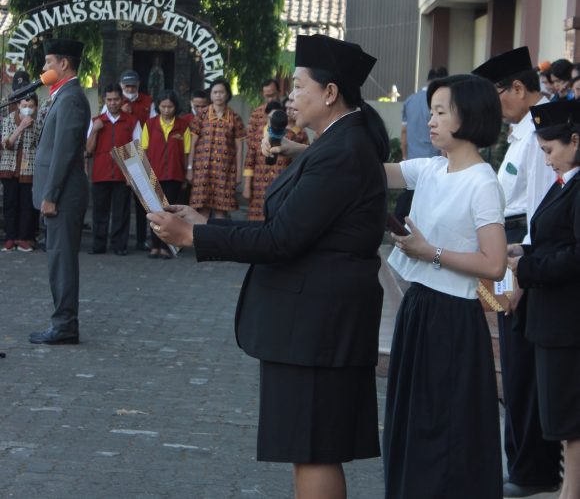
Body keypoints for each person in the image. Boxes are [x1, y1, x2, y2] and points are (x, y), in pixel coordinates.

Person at [148, 34, 390, 499]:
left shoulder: (342, 151)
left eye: (299, 86)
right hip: (314, 323)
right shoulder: (336, 142)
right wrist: (202, 222)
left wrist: (196, 236)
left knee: (314, 446)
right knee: (310, 445)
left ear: (330, 92)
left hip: (317, 326)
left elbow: (282, 239)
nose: (290, 97)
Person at [382, 74, 507, 499]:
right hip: (419, 310)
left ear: (467, 116)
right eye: (429, 112)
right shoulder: (432, 168)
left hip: (454, 320)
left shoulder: (482, 181)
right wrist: (301, 149)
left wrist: (429, 252)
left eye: (439, 112)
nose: (429, 122)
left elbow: (493, 264)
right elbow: (373, 172)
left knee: (445, 435)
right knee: (413, 425)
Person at [473, 47, 561, 497]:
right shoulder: (522, 131)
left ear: (521, 90)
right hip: (510, 253)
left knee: (523, 370)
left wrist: (521, 278)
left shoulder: (541, 132)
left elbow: (543, 212)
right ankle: (523, 462)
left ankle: (532, 469)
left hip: (524, 257)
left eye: (498, 94)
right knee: (515, 363)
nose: (494, 104)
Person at [508, 99, 580, 499]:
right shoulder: (564, 184)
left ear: (574, 140)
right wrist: (526, 254)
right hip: (552, 319)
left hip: (568, 321)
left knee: (570, 417)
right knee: (563, 419)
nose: (547, 160)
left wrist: (529, 269)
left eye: (550, 151)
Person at [30, 39, 91, 345]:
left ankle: (65, 325)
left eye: (49, 62)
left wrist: (50, 194)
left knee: (62, 260)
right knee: (57, 259)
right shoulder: (63, 95)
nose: (44, 69)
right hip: (60, 193)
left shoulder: (70, 98)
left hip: (63, 195)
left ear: (63, 64)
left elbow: (65, 152)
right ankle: (62, 322)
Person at [86, 84, 142, 256]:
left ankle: (119, 245)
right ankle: (98, 245)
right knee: (99, 212)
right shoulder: (97, 121)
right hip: (100, 173)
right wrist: (95, 131)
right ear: (104, 100)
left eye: (116, 99)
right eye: (109, 100)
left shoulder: (132, 121)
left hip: (122, 174)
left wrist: (131, 174)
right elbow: (88, 150)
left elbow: (138, 150)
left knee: (121, 212)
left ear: (121, 100)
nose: (112, 103)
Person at [142, 89, 190, 259]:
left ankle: (166, 246)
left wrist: (186, 175)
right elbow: (144, 150)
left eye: (170, 107)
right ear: (158, 107)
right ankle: (155, 245)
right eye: (163, 106)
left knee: (169, 212)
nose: (167, 110)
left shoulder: (183, 126)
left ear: (175, 107)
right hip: (155, 174)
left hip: (175, 175)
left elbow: (186, 152)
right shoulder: (149, 124)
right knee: (154, 212)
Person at [242, 99, 309, 221]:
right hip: (258, 185)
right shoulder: (257, 135)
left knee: (277, 220)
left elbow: (302, 161)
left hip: (282, 183)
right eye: (271, 117)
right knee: (255, 222)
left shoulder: (291, 136)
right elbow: (249, 161)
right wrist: (247, 186)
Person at [188, 78, 245, 219]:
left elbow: (239, 148)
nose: (218, 95)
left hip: (225, 171)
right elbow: (192, 144)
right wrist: (189, 169)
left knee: (221, 211)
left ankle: (218, 240)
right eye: (215, 92)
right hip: (203, 170)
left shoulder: (235, 118)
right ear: (211, 95)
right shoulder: (201, 115)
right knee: (203, 210)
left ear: (227, 95)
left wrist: (238, 173)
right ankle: (201, 240)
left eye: (221, 92)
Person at [395, 67, 445, 223]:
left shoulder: (410, 100)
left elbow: (403, 132)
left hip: (411, 161)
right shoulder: (441, 101)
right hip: (434, 162)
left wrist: (404, 155)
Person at [118, 69, 156, 251]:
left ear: (138, 85)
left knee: (144, 203)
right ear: (121, 86)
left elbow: (155, 124)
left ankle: (142, 239)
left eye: (133, 85)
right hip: (122, 154)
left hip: (143, 154)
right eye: (127, 85)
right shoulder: (115, 101)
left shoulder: (148, 102)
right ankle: (121, 241)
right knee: (123, 202)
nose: (130, 88)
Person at [0, 94, 43, 252]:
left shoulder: (38, 123)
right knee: (10, 204)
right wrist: (20, 127)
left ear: (36, 107)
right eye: (24, 106)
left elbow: (38, 144)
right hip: (9, 167)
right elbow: (6, 144)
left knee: (26, 205)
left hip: (28, 168)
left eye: (31, 106)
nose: (27, 109)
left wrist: (30, 126)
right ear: (18, 105)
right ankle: (10, 238)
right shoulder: (8, 120)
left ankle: (23, 238)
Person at [242, 79, 282, 202]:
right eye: (267, 96)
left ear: (279, 92)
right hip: (259, 174)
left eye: (273, 95)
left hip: (281, 173)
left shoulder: (289, 111)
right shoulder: (257, 114)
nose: (270, 99)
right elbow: (250, 143)